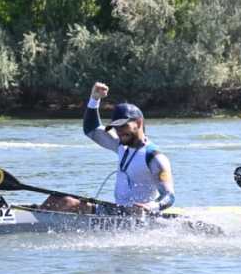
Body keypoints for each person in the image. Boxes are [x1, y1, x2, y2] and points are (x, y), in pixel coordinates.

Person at [42, 82, 175, 215]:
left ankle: (38, 218)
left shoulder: (154, 157)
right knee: (55, 199)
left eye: (123, 126)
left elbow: (169, 196)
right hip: (116, 211)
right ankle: (36, 216)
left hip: (139, 217)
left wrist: (150, 207)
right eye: (116, 127)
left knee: (66, 203)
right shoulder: (121, 145)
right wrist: (94, 99)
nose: (119, 131)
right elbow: (91, 130)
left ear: (139, 123)